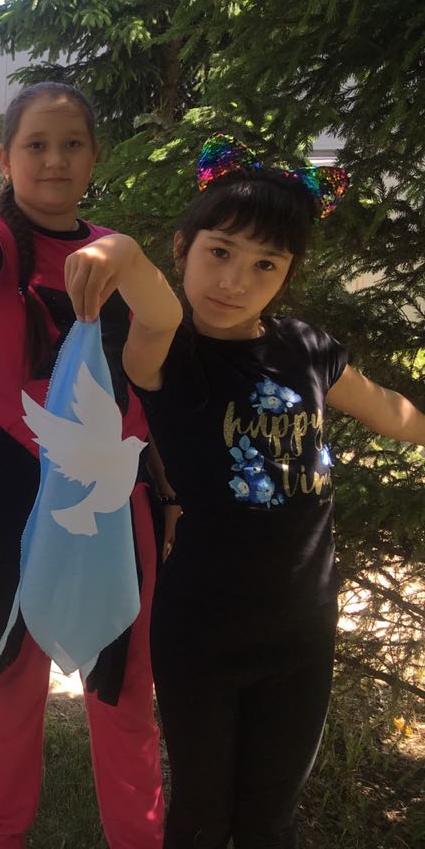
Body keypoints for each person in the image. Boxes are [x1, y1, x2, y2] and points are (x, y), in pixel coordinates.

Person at [68, 134, 425, 848]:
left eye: (266, 264)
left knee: (271, 820)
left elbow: (393, 413)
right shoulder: (168, 352)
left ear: (287, 275)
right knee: (201, 817)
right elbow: (155, 309)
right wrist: (123, 254)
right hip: (200, 631)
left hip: (302, 630)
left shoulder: (307, 350)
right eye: (220, 252)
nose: (234, 280)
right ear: (183, 248)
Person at [0, 82, 166, 849]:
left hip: (112, 495)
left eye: (71, 144)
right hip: (13, 491)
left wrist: (126, 257)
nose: (54, 160)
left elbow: (164, 330)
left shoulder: (116, 250)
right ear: (5, 158)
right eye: (36, 145)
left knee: (123, 688)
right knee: (8, 682)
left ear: (95, 156)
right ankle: (0, 836)